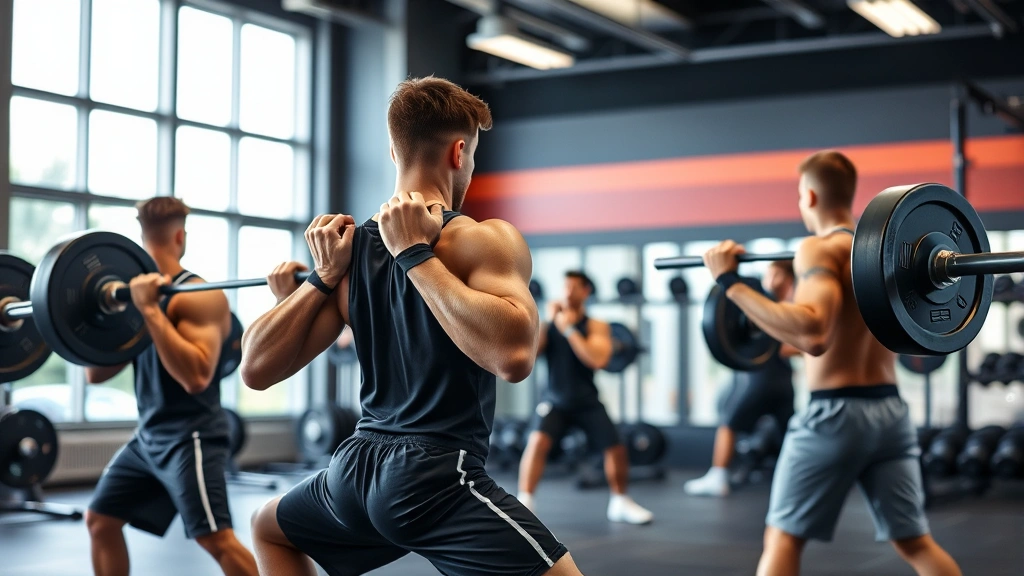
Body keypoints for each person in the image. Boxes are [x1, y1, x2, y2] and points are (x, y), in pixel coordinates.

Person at [240, 77, 584, 576]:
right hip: (434, 477)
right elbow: (514, 359)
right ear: (459, 151)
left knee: (267, 528)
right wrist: (331, 275)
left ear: (392, 149)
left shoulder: (352, 251)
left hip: (353, 475)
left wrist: (327, 280)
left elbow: (252, 369)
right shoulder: (482, 239)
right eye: (473, 156)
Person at [702, 151, 961, 576]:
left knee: (782, 540)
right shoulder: (883, 254)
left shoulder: (819, 248)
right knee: (915, 542)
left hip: (835, 414)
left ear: (808, 195)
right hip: (890, 412)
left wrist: (729, 283)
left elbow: (813, 334)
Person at [84, 197, 259, 576]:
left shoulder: (199, 295)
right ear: (181, 236)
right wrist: (100, 320)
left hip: (191, 437)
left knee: (216, 539)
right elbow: (94, 374)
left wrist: (149, 311)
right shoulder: (128, 296)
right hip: (148, 436)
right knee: (100, 520)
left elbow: (197, 378)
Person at [516, 271, 653, 524]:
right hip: (555, 400)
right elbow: (530, 356)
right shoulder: (550, 324)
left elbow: (598, 359)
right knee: (536, 443)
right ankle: (525, 502)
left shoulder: (595, 326)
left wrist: (569, 330)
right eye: (565, 286)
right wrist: (546, 321)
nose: (567, 292)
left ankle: (621, 502)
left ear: (586, 292)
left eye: (574, 287)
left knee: (615, 448)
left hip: (586, 399)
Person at [685, 261, 797, 497]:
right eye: (768, 273)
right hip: (782, 382)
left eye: (773, 273)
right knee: (789, 431)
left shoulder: (777, 306)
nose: (769, 279)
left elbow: (798, 345)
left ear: (784, 278)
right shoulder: (784, 305)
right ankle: (796, 481)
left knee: (729, 423)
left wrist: (771, 342)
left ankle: (718, 476)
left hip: (761, 381)